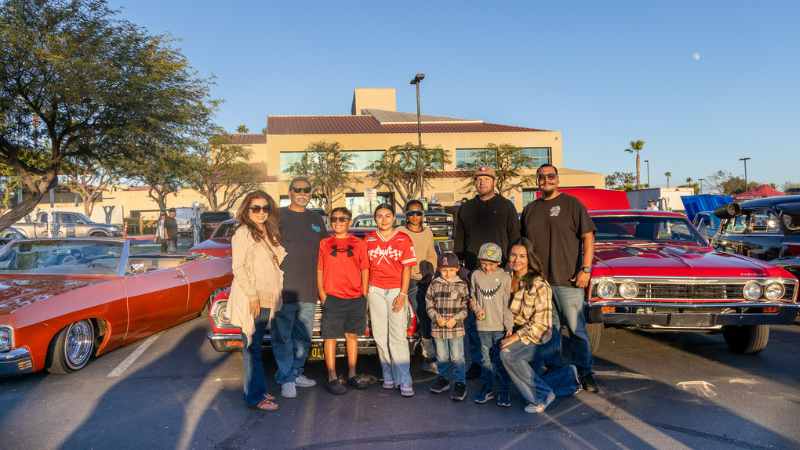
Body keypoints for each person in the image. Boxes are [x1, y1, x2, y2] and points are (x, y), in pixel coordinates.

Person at [519, 164, 600, 393]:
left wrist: (586, 269)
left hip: (569, 280)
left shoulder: (572, 204)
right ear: (537, 181)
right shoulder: (530, 209)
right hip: (539, 283)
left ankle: (585, 372)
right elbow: (523, 246)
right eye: (542, 177)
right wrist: (524, 276)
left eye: (551, 176)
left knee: (576, 330)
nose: (546, 180)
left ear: (558, 179)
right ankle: (557, 372)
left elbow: (588, 237)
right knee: (549, 331)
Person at [499, 238, 581, 414]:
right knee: (523, 385)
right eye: (513, 255)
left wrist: (515, 337)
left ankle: (542, 396)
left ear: (530, 258)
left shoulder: (537, 282)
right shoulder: (506, 276)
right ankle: (567, 377)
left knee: (508, 355)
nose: (516, 259)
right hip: (521, 333)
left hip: (543, 337)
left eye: (522, 256)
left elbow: (541, 325)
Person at [453, 165, 520, 379]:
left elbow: (515, 237)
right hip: (474, 272)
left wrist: (510, 267)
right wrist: (460, 267)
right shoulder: (466, 208)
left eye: (486, 179)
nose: (482, 182)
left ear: (494, 181)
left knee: (501, 318)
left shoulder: (506, 206)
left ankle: (500, 363)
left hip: (501, 272)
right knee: (475, 320)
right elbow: (459, 238)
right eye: (479, 179)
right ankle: (478, 362)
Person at [227, 190, 285, 411]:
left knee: (255, 345)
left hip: (266, 296)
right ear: (247, 210)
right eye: (256, 208)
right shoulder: (243, 233)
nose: (261, 212)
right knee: (252, 347)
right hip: (253, 298)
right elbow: (238, 267)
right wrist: (253, 297)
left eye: (265, 208)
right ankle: (255, 397)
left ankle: (251, 391)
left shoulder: (266, 232)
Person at [272, 176, 329, 399]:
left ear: (311, 194)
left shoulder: (316, 219)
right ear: (290, 193)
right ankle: (286, 379)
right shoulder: (278, 216)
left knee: (303, 337)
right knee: (282, 337)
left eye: (306, 190)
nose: (302, 193)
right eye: (297, 189)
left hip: (309, 288)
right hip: (284, 289)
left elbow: (326, 252)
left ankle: (296, 373)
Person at [365, 203, 417, 397]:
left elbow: (407, 269)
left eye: (387, 215)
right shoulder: (369, 239)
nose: (384, 219)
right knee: (380, 335)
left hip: (396, 290)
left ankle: (404, 378)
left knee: (398, 335)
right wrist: (365, 293)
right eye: (379, 216)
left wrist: (402, 294)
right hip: (375, 290)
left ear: (394, 217)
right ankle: (388, 374)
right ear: (375, 219)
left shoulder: (403, 238)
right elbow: (365, 269)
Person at [317, 207, 370, 394]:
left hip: (356, 298)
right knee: (330, 337)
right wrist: (323, 294)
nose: (337, 222)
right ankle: (332, 377)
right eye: (334, 219)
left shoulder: (358, 243)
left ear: (349, 221)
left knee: (352, 336)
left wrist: (364, 294)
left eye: (342, 218)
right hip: (332, 297)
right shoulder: (325, 243)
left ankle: (352, 375)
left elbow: (365, 269)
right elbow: (320, 270)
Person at [397, 199, 438, 374]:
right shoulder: (400, 232)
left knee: (429, 313)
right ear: (406, 215)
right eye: (411, 213)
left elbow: (431, 255)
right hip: (406, 279)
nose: (415, 216)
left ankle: (427, 350)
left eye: (418, 213)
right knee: (422, 311)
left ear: (423, 214)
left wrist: (430, 273)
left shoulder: (427, 233)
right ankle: (429, 355)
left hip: (424, 279)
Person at [471, 243, 513, 406]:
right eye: (484, 263)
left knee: (500, 360)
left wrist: (509, 326)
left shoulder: (505, 277)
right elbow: (473, 297)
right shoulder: (476, 275)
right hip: (483, 327)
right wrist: (476, 309)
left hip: (500, 327)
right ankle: (486, 389)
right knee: (485, 360)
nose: (487, 267)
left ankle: (504, 391)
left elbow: (507, 303)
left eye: (491, 264)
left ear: (499, 262)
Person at [426, 252, 470, 401]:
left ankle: (460, 383)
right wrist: (436, 318)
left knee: (457, 357)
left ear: (457, 269)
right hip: (438, 329)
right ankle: (443, 379)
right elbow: (429, 304)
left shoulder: (462, 285)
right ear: (439, 270)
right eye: (444, 270)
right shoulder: (434, 284)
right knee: (442, 357)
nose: (448, 273)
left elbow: (465, 308)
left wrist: (455, 319)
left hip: (456, 328)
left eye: (451, 270)